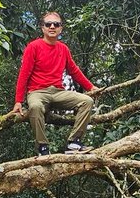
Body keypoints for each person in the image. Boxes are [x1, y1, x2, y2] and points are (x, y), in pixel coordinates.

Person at [12, 12, 99, 155]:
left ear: (60, 28)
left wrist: (90, 87)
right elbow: (24, 74)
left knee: (87, 101)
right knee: (35, 107)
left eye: (56, 24)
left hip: (58, 92)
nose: (52, 27)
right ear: (43, 28)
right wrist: (18, 101)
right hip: (38, 92)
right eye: (48, 24)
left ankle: (74, 144)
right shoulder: (33, 47)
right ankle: (42, 147)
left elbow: (74, 70)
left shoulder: (63, 48)